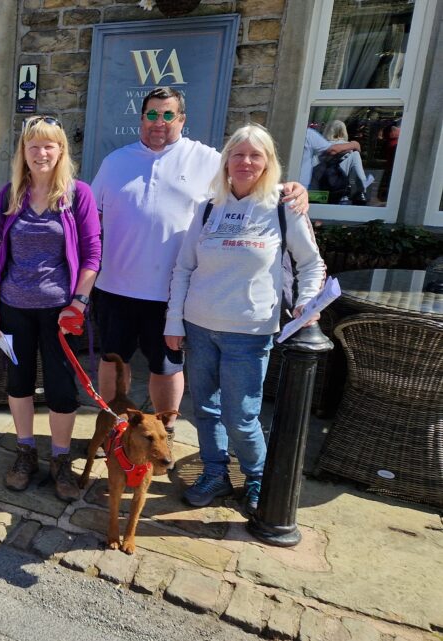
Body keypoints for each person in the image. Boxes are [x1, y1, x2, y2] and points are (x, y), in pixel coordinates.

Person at [89, 86, 309, 433]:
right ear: (140, 118)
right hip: (115, 287)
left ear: (182, 120)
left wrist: (291, 189)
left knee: (167, 367)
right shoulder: (114, 162)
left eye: (167, 115)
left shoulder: (206, 159)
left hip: (171, 293)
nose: (158, 122)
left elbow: (250, 175)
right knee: (113, 361)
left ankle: (165, 434)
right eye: (151, 114)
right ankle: (115, 427)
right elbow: (89, 216)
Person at [164, 124, 325, 516]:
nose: (246, 162)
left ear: (268, 162)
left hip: (249, 333)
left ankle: (257, 477)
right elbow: (184, 268)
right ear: (226, 161)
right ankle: (215, 472)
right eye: (238, 155)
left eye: (255, 155)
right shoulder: (208, 207)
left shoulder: (282, 207)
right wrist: (174, 322)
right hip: (199, 327)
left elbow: (311, 263)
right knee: (205, 409)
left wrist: (307, 304)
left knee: (242, 416)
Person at [0, 115, 101, 501]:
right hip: (14, 307)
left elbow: (92, 254)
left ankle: (61, 459)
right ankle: (26, 451)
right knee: (17, 382)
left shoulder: (77, 194)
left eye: (48, 144)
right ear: (23, 152)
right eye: (33, 145)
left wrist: (79, 302)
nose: (40, 152)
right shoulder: (10, 195)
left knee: (61, 387)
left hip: (60, 311)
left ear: (61, 150)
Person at [299, 123, 360, 190]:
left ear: (327, 131)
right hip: (338, 194)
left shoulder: (317, 147)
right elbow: (360, 177)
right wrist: (355, 144)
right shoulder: (309, 134)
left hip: (314, 191)